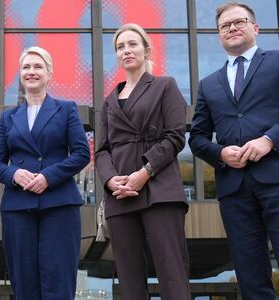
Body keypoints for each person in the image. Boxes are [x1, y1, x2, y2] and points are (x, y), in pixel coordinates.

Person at [189, 2, 279, 299]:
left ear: (255, 27)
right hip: (235, 190)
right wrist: (220, 154)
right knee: (250, 279)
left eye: (239, 22)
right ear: (218, 35)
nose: (232, 28)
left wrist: (269, 140)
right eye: (225, 26)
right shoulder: (208, 84)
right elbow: (197, 138)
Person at [94, 23, 191, 299]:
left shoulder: (165, 85)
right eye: (120, 47)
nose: (126, 50)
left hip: (159, 188)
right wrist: (112, 181)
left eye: (132, 44)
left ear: (147, 49)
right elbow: (101, 150)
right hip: (120, 195)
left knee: (171, 271)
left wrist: (145, 171)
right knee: (129, 278)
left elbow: (175, 137)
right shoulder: (109, 101)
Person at [0, 46, 90, 298]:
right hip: (18, 207)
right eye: (26, 67)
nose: (31, 72)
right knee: (24, 281)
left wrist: (48, 177)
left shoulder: (66, 109)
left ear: (49, 73)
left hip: (59, 205)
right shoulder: (8, 117)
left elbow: (81, 154)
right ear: (20, 74)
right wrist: (14, 175)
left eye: (37, 66)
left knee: (59, 279)